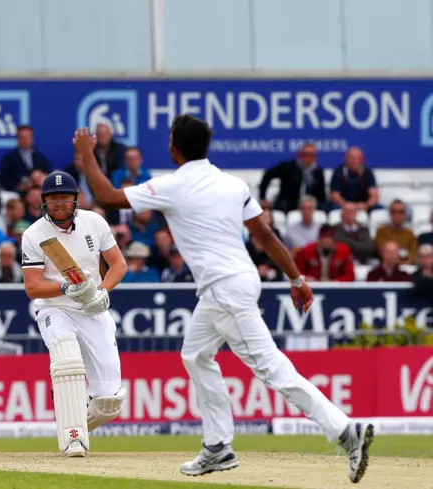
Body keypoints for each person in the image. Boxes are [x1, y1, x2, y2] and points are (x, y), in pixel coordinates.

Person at [73, 115, 373, 484]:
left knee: (272, 368)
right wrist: (296, 278)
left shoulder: (173, 185)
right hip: (236, 283)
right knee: (195, 355)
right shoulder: (233, 184)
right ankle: (218, 446)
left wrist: (87, 155)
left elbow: (107, 197)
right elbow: (265, 236)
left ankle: (345, 431)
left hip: (224, 289)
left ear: (173, 148)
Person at [19, 170, 127, 458]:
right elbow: (32, 287)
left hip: (92, 308)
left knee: (109, 403)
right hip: (55, 308)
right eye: (52, 199)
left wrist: (102, 292)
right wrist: (66, 288)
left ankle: (74, 422)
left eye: (64, 198)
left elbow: (118, 265)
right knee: (67, 360)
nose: (59, 204)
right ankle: (72, 438)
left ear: (75, 200)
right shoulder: (33, 235)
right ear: (44, 203)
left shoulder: (95, 222)